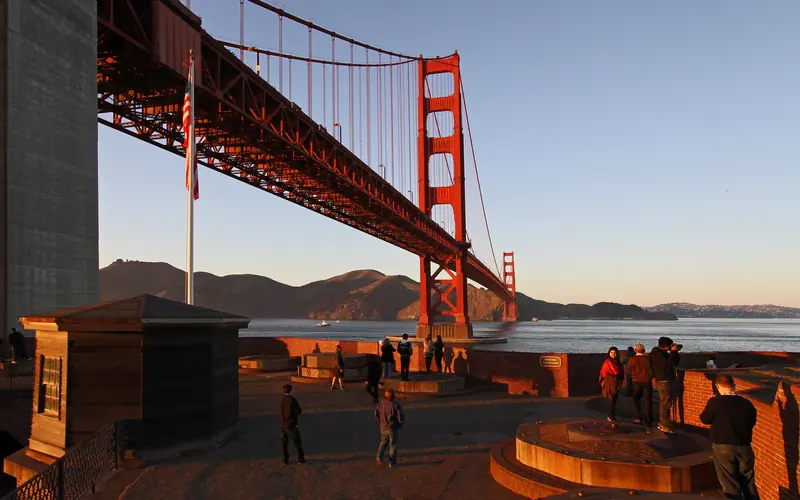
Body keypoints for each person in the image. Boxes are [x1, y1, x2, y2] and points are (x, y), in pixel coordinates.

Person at [699, 375, 759, 499]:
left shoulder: (715, 402)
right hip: (744, 446)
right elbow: (752, 421)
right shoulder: (746, 403)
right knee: (748, 482)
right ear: (734, 386)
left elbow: (705, 419)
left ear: (718, 386)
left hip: (723, 445)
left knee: (729, 483)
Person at [650, 336, 681, 433]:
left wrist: (675, 353)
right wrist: (673, 352)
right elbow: (668, 364)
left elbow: (674, 362)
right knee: (665, 403)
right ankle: (664, 424)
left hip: (665, 380)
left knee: (666, 402)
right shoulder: (657, 355)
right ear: (665, 346)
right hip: (663, 380)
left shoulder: (661, 353)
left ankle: (665, 423)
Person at [375, 388, 404, 467]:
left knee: (384, 442)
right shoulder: (395, 405)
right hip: (392, 427)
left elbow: (376, 413)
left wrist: (379, 421)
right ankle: (392, 462)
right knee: (393, 445)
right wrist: (399, 424)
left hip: (383, 426)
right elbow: (400, 416)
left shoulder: (381, 403)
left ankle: (379, 457)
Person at [627, 344, 654, 427]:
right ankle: (648, 420)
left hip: (636, 381)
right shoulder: (648, 359)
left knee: (636, 400)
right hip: (647, 381)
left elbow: (629, 370)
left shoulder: (632, 359)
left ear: (635, 350)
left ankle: (638, 417)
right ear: (644, 351)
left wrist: (634, 375)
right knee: (648, 401)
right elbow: (652, 370)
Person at [279, 384, 306, 465]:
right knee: (297, 442)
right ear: (291, 390)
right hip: (291, 425)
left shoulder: (281, 399)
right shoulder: (292, 400)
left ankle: (285, 459)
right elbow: (298, 411)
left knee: (284, 443)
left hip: (282, 424)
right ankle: (300, 459)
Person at [598, 346, 624, 422]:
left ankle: (612, 416)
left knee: (614, 400)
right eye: (611, 352)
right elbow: (603, 373)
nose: (613, 354)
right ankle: (611, 416)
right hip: (609, 382)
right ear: (609, 353)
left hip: (617, 383)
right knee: (610, 400)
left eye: (615, 353)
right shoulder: (608, 362)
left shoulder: (618, 362)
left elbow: (621, 373)